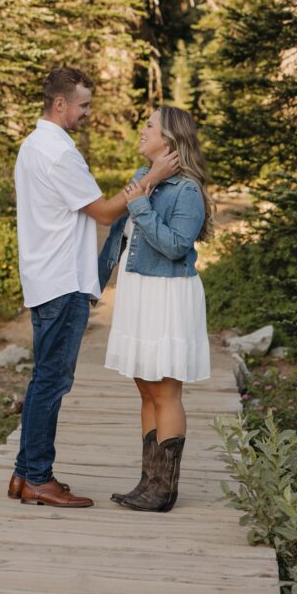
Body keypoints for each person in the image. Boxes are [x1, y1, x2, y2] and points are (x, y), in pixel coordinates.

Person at [9, 68, 180, 508]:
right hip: (62, 279)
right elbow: (105, 213)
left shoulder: (33, 145)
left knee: (43, 377)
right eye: (83, 105)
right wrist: (152, 178)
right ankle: (38, 479)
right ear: (60, 104)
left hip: (45, 276)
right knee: (52, 380)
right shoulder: (59, 153)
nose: (87, 113)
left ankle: (24, 474)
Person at [98, 106, 213, 512]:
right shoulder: (146, 180)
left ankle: (164, 490)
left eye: (149, 125)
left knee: (165, 390)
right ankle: (148, 481)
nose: (141, 130)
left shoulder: (187, 191)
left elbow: (176, 246)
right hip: (139, 293)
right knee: (145, 388)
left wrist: (142, 206)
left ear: (170, 139)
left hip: (167, 295)